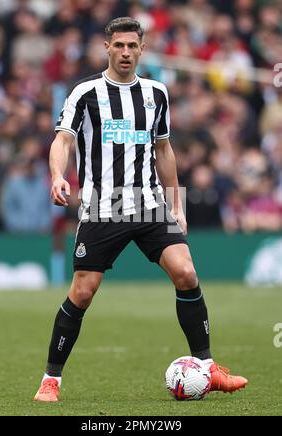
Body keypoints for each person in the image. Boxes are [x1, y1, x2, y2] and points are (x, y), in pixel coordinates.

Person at [34, 17, 248, 402]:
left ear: (142, 49)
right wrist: (56, 175)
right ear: (107, 47)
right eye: (119, 46)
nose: (126, 52)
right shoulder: (85, 92)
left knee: (186, 272)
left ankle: (208, 366)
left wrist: (176, 204)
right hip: (103, 205)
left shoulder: (156, 93)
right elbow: (63, 140)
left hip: (150, 203)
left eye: (133, 46)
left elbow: (164, 151)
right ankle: (51, 380)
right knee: (83, 291)